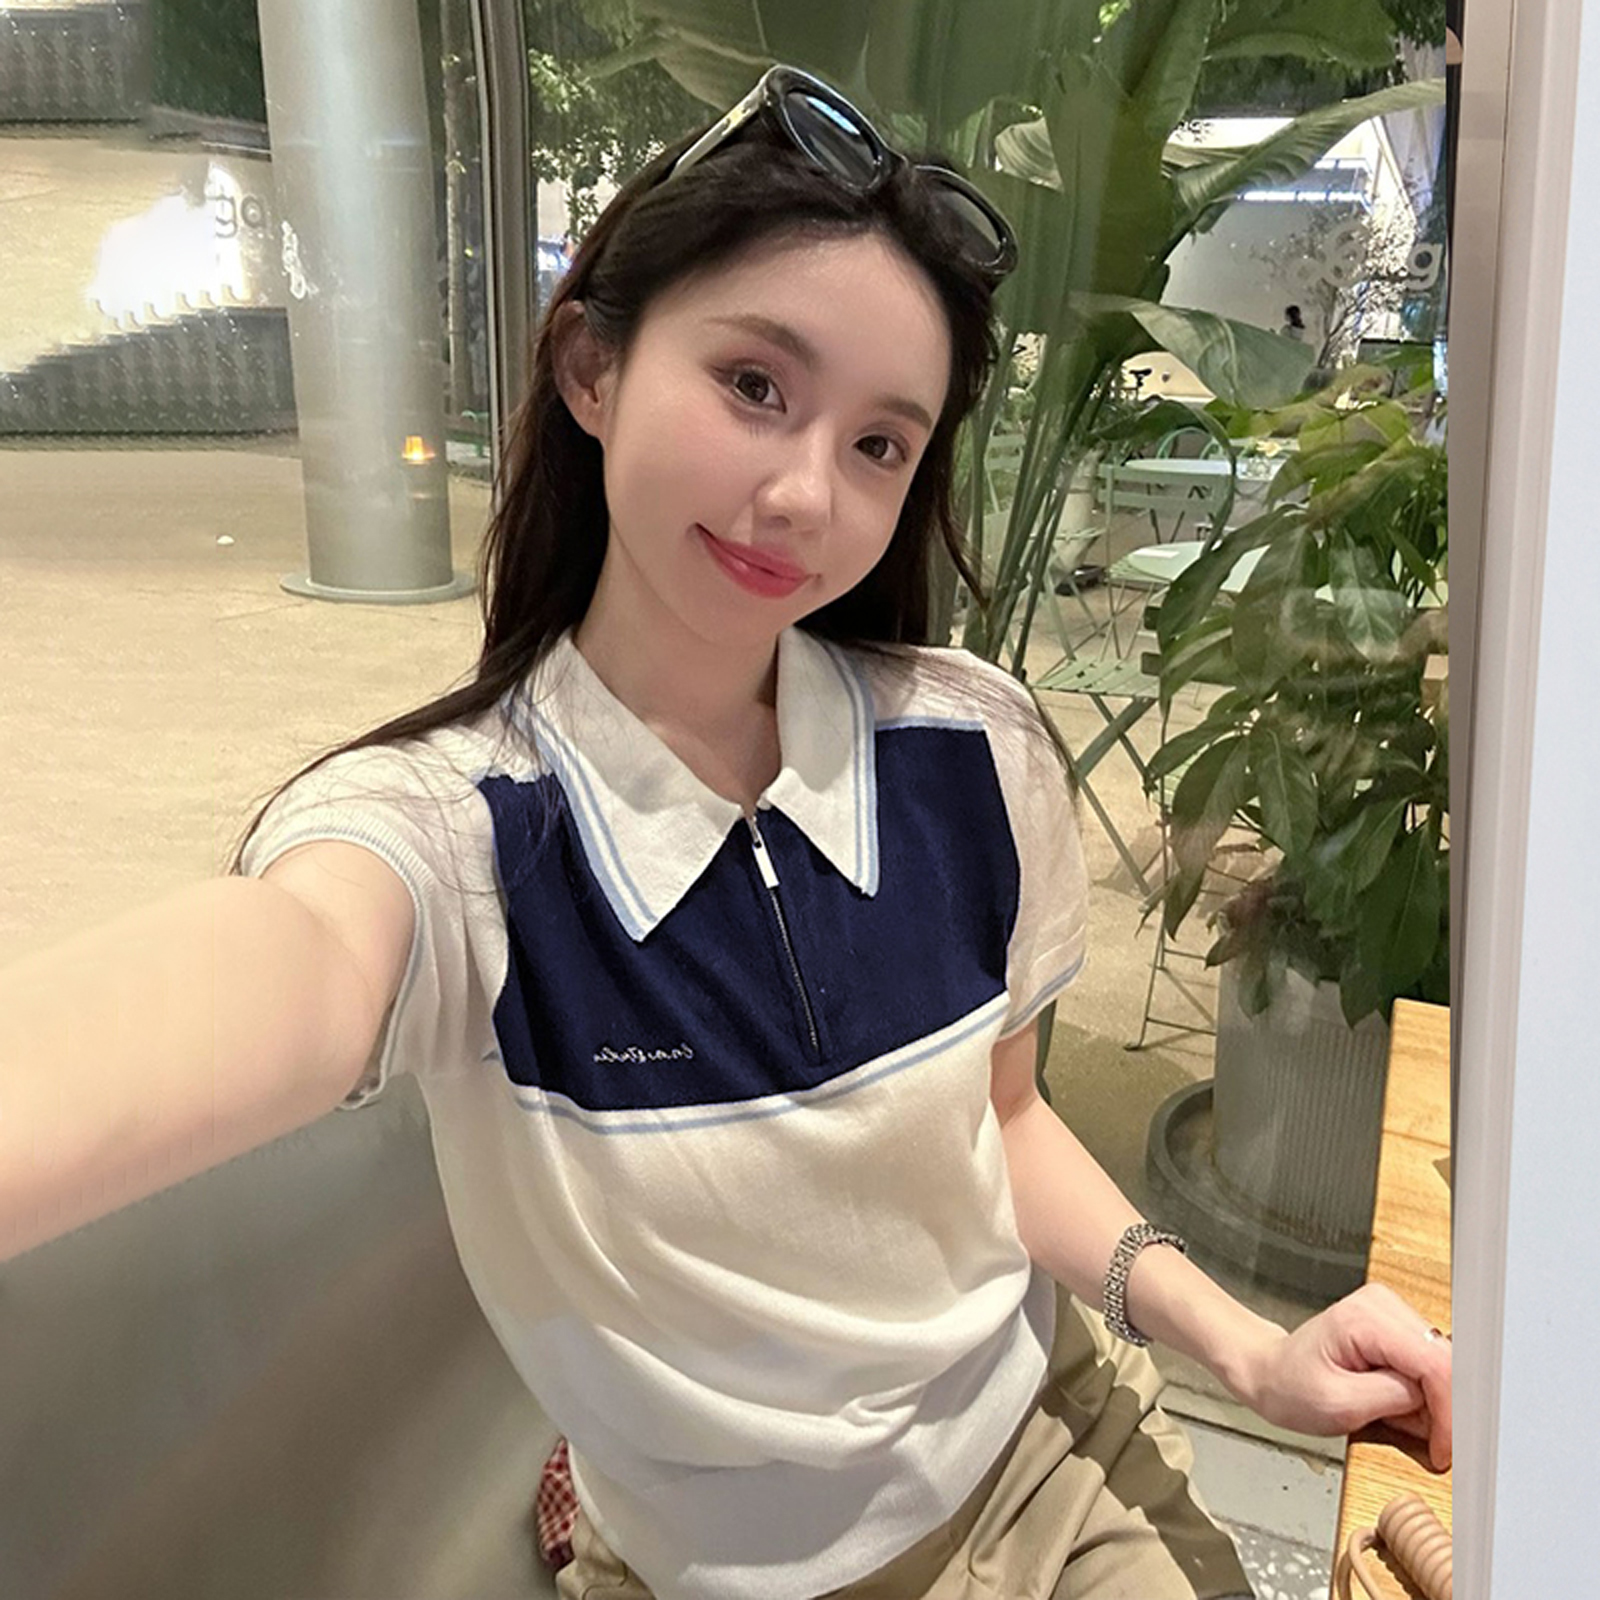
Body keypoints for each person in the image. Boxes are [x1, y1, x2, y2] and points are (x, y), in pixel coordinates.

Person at [1, 65, 1449, 1600]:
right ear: (592, 369)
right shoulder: (460, 834)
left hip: (1048, 1458)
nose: (806, 494)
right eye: (756, 384)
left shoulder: (969, 750)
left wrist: (1248, 1349)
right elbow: (296, 955)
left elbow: (1007, 1124)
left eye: (880, 443)